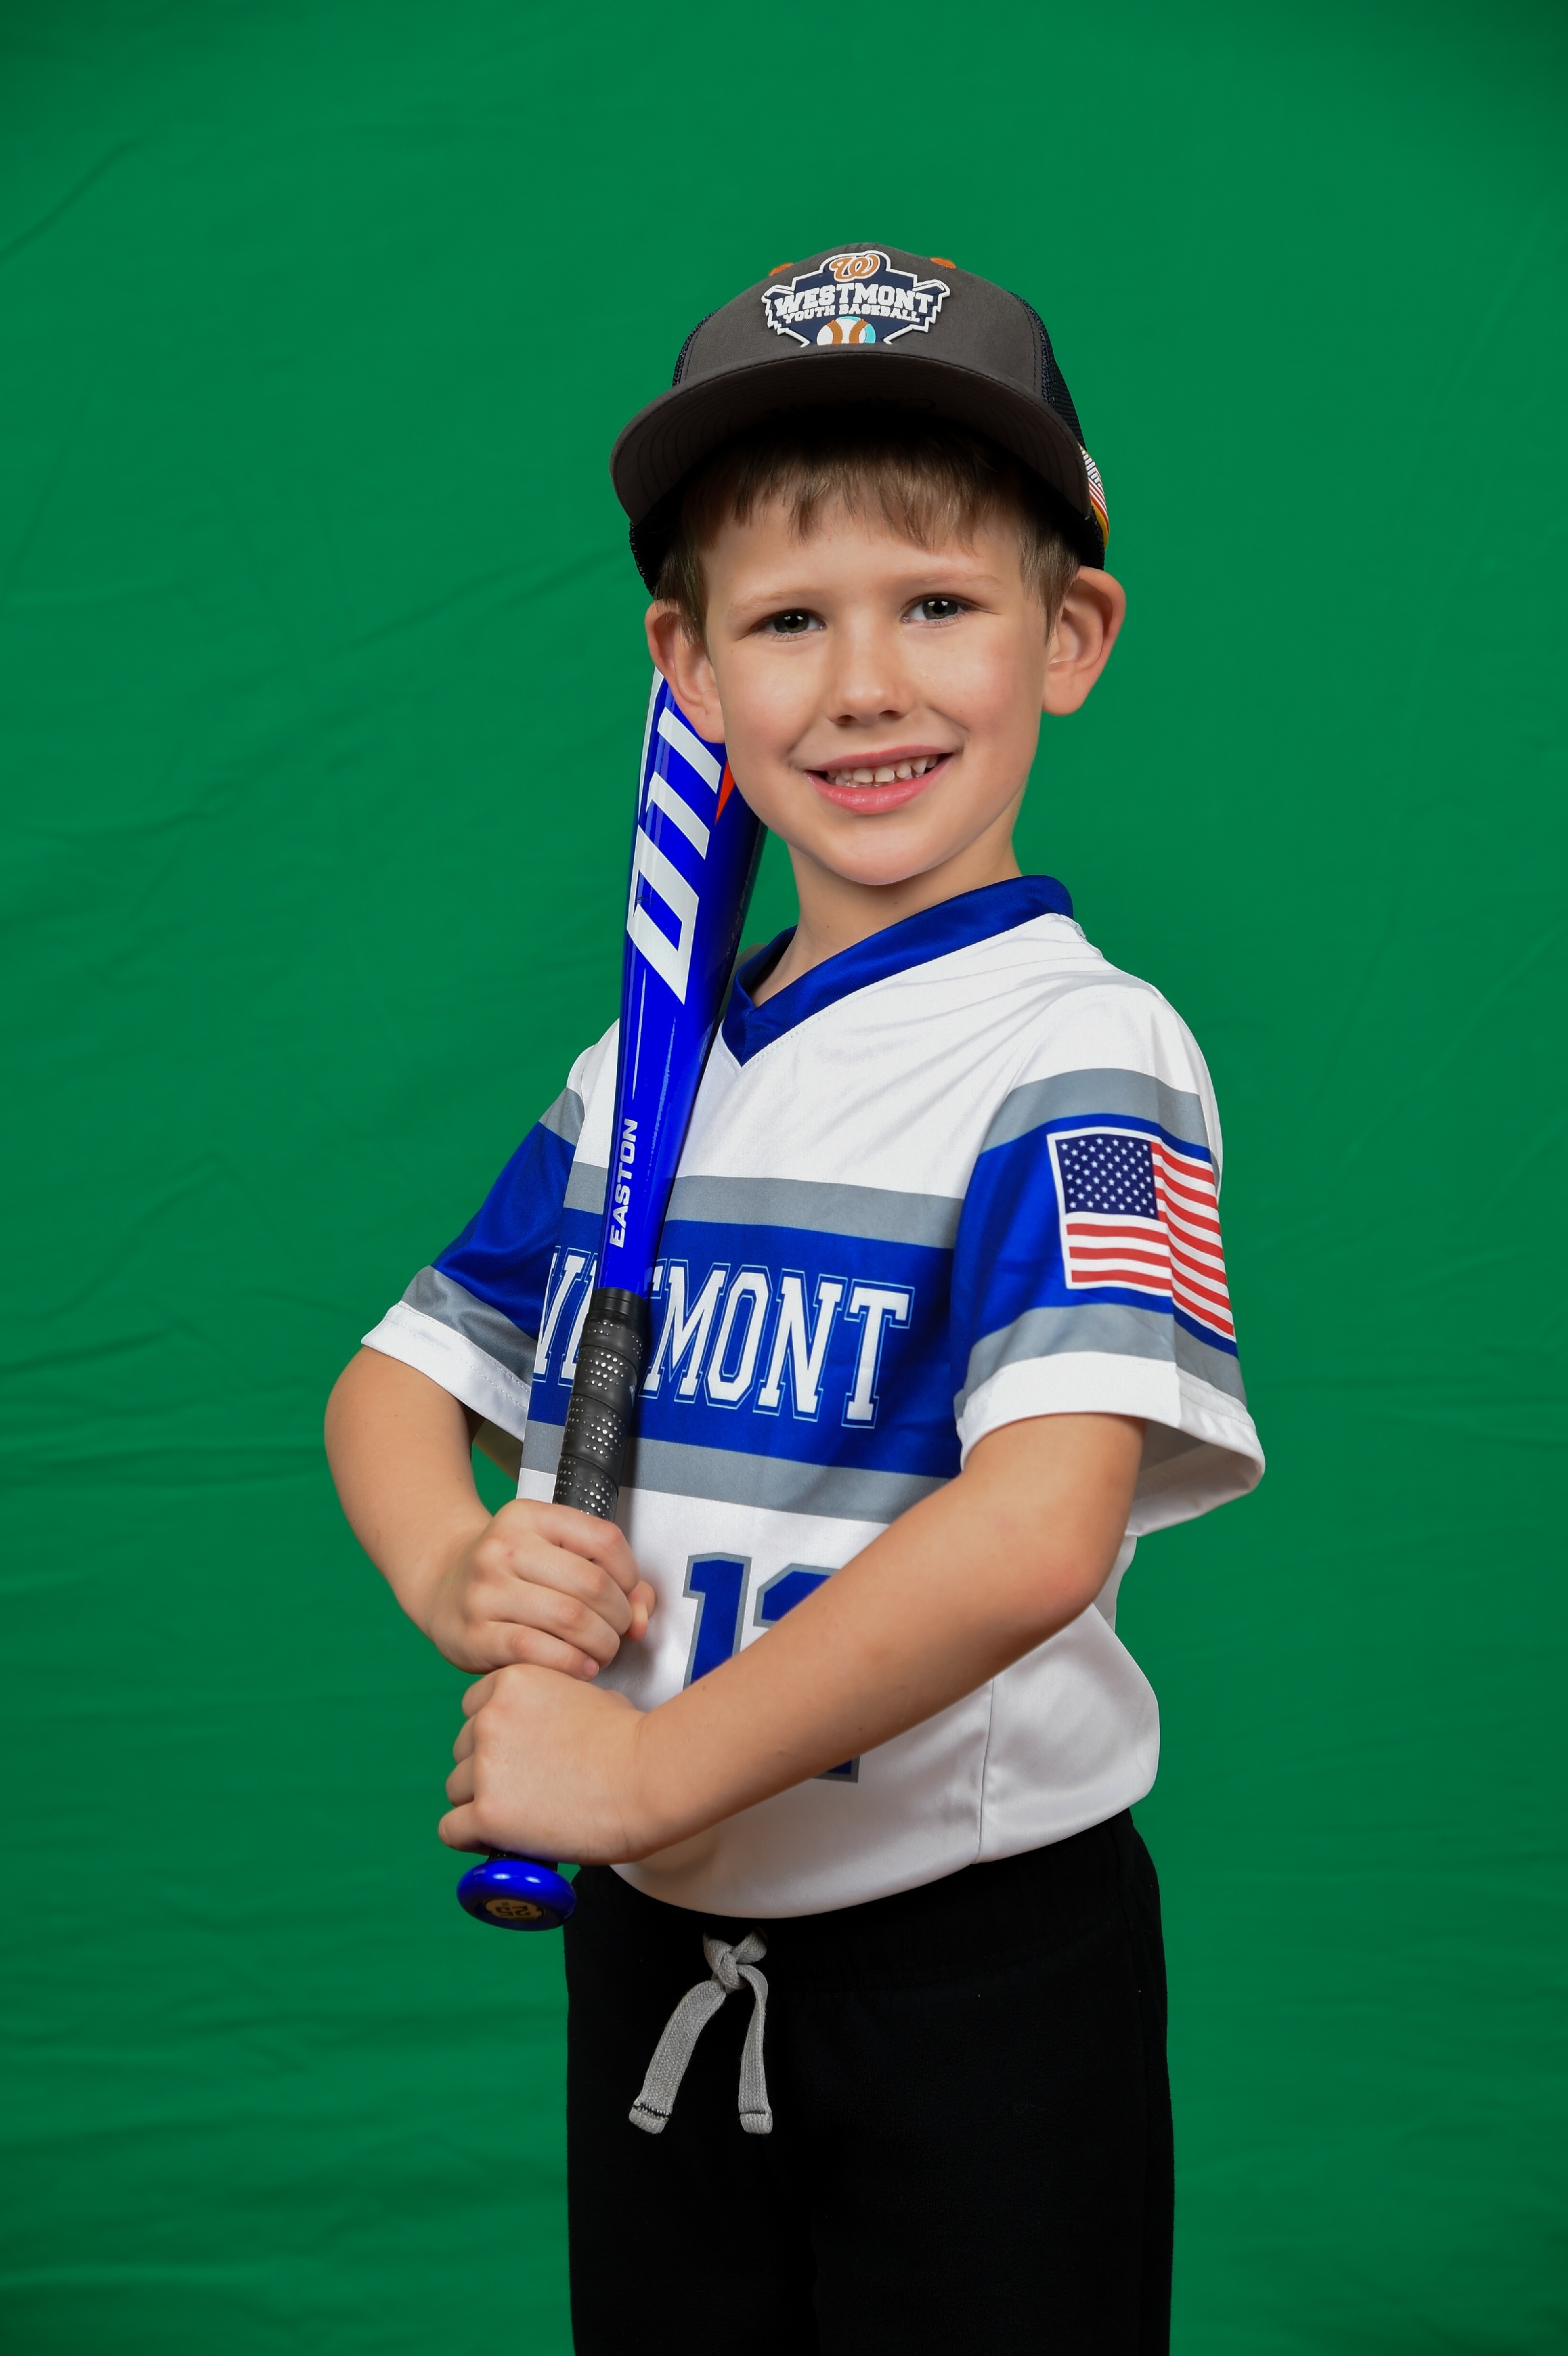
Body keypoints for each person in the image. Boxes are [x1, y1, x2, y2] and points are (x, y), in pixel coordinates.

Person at [325, 245, 1263, 2354]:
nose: (860, 685)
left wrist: (644, 1779)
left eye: (935, 607)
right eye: (784, 621)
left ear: (1067, 637)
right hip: (652, 1953)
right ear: (687, 667)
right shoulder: (635, 1081)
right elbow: (391, 1387)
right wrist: (459, 1570)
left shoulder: (1082, 1059)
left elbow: (1034, 1536)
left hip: (972, 1975)